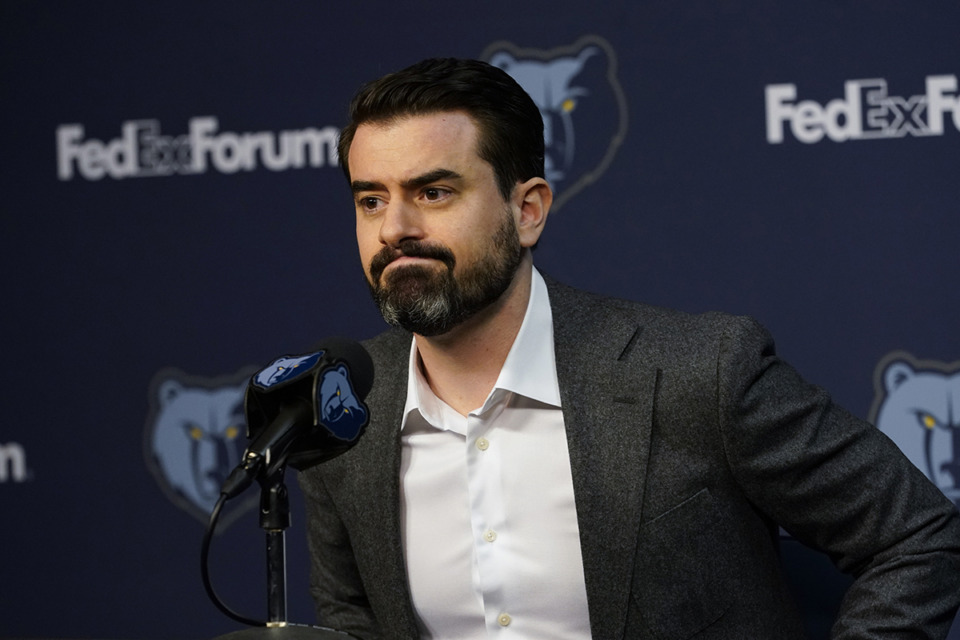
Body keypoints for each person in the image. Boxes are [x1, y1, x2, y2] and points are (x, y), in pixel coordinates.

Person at [298, 57, 960, 639]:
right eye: (371, 201)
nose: (396, 229)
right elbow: (353, 622)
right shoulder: (343, 410)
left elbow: (918, 535)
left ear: (527, 210)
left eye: (434, 192)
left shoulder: (698, 371)